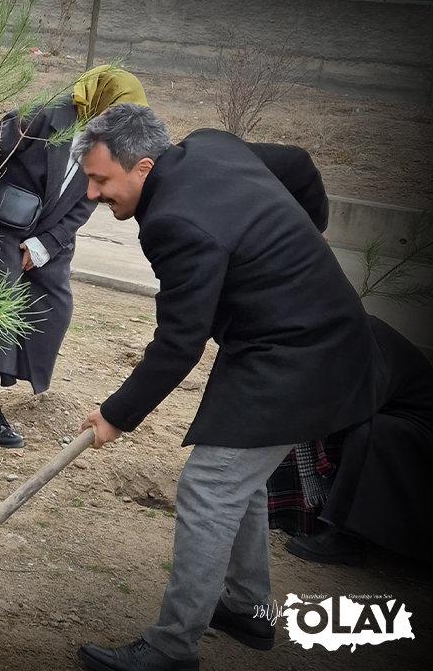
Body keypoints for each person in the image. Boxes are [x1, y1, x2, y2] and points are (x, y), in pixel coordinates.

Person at [69, 104, 384, 671]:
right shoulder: (212, 145)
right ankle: (245, 607)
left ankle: (171, 649)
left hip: (303, 355)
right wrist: (308, 233)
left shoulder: (175, 223)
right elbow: (299, 166)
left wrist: (117, 414)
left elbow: (179, 342)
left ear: (143, 167)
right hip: (290, 341)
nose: (91, 195)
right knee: (237, 477)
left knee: (210, 485)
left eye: (100, 180)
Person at [0, 66, 147, 448]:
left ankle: (16, 383)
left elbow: (87, 203)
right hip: (4, 225)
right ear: (100, 100)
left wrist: (44, 245)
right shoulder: (46, 113)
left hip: (53, 234)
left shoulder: (112, 146)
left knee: (54, 309)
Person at [274, 315, 433, 567]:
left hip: (421, 438)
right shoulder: (337, 333)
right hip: (390, 417)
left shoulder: (368, 341)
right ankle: (294, 513)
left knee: (369, 432)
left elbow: (361, 402)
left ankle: (344, 536)